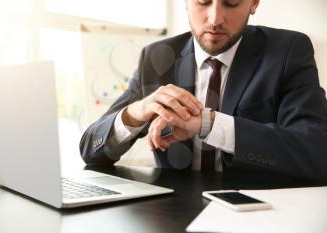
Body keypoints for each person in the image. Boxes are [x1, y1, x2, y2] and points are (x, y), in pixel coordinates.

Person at [80, 0, 327, 181]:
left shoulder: (288, 51)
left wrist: (209, 124)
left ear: (254, 3)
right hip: (171, 215)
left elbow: (317, 152)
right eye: (202, 1)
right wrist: (135, 112)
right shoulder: (157, 56)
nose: (215, 19)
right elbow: (90, 149)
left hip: (258, 216)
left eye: (231, 3)